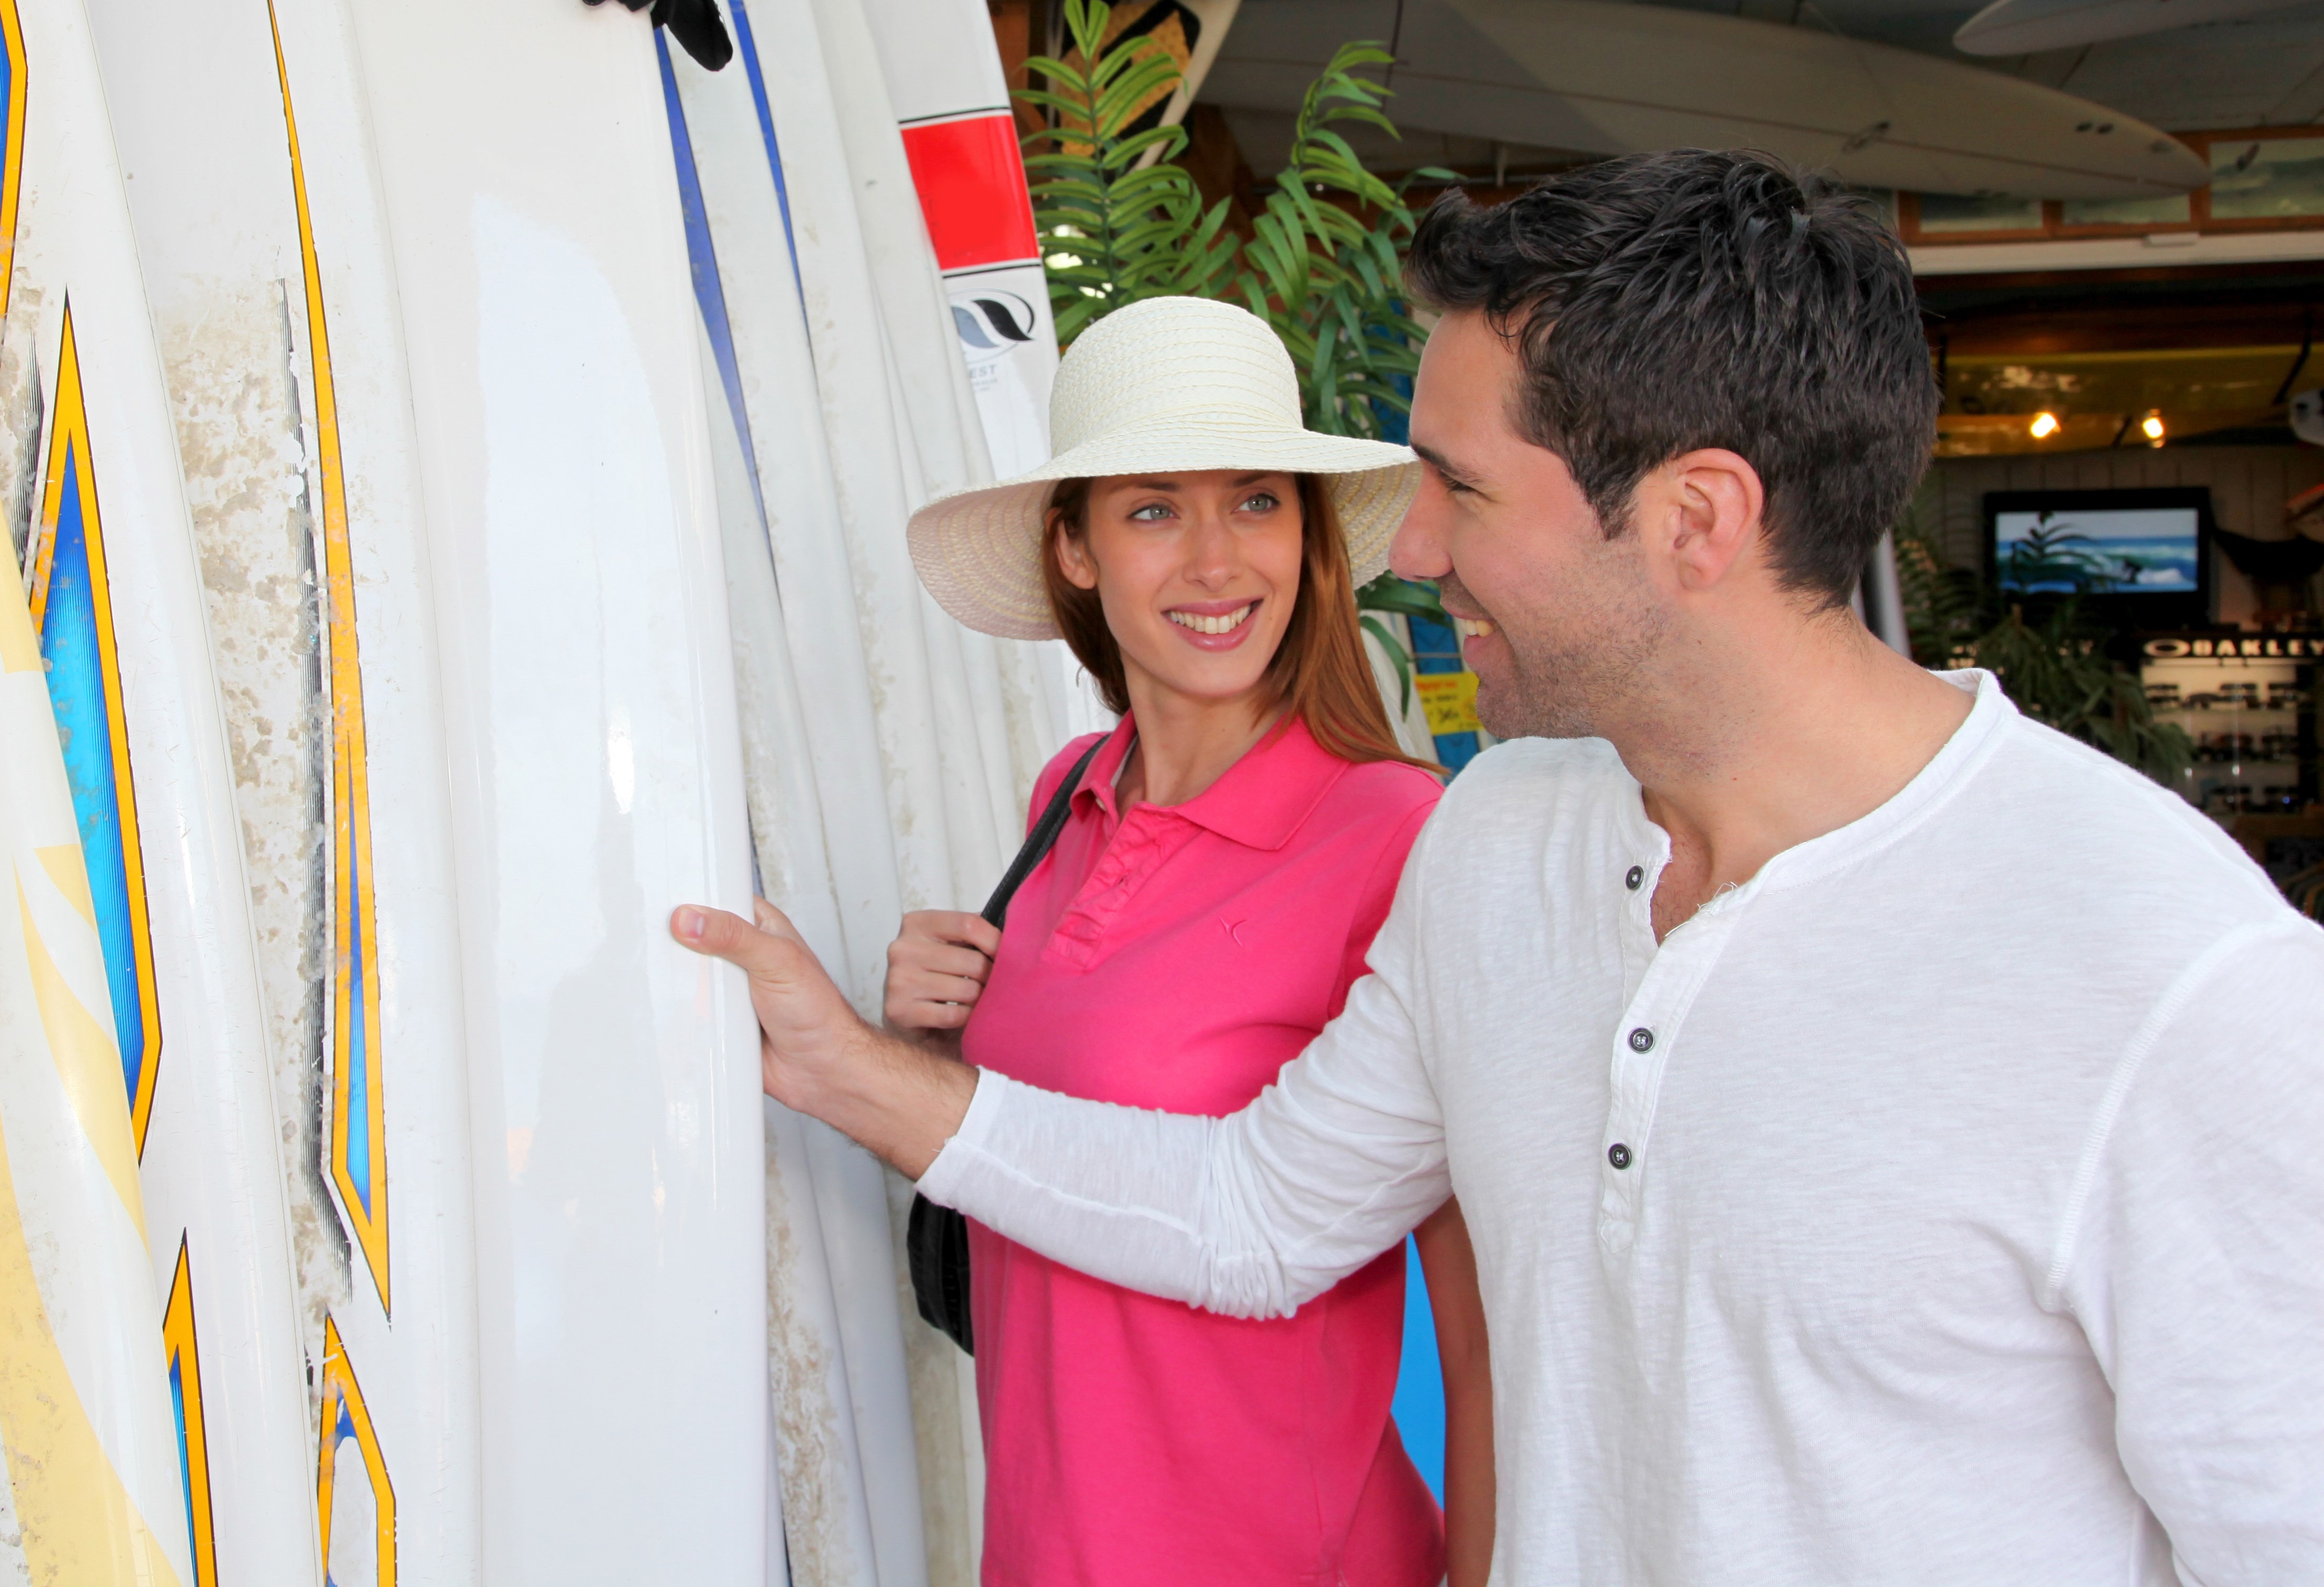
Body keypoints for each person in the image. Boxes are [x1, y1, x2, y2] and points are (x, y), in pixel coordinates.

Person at [674, 150, 2324, 1584]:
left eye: (1460, 488)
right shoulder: (1507, 838)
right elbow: (1257, 1213)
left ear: (1695, 520)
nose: (1412, 550)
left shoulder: (2176, 985)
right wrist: (847, 1068)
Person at [885, 295, 1493, 1587]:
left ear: (1308, 536)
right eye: (1155, 510)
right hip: (1042, 1551)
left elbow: (1483, 1309)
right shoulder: (1066, 791)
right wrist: (931, 1046)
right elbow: (1032, 1146)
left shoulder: (1397, 835)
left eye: (1257, 501)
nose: (1218, 562)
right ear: (1077, 550)